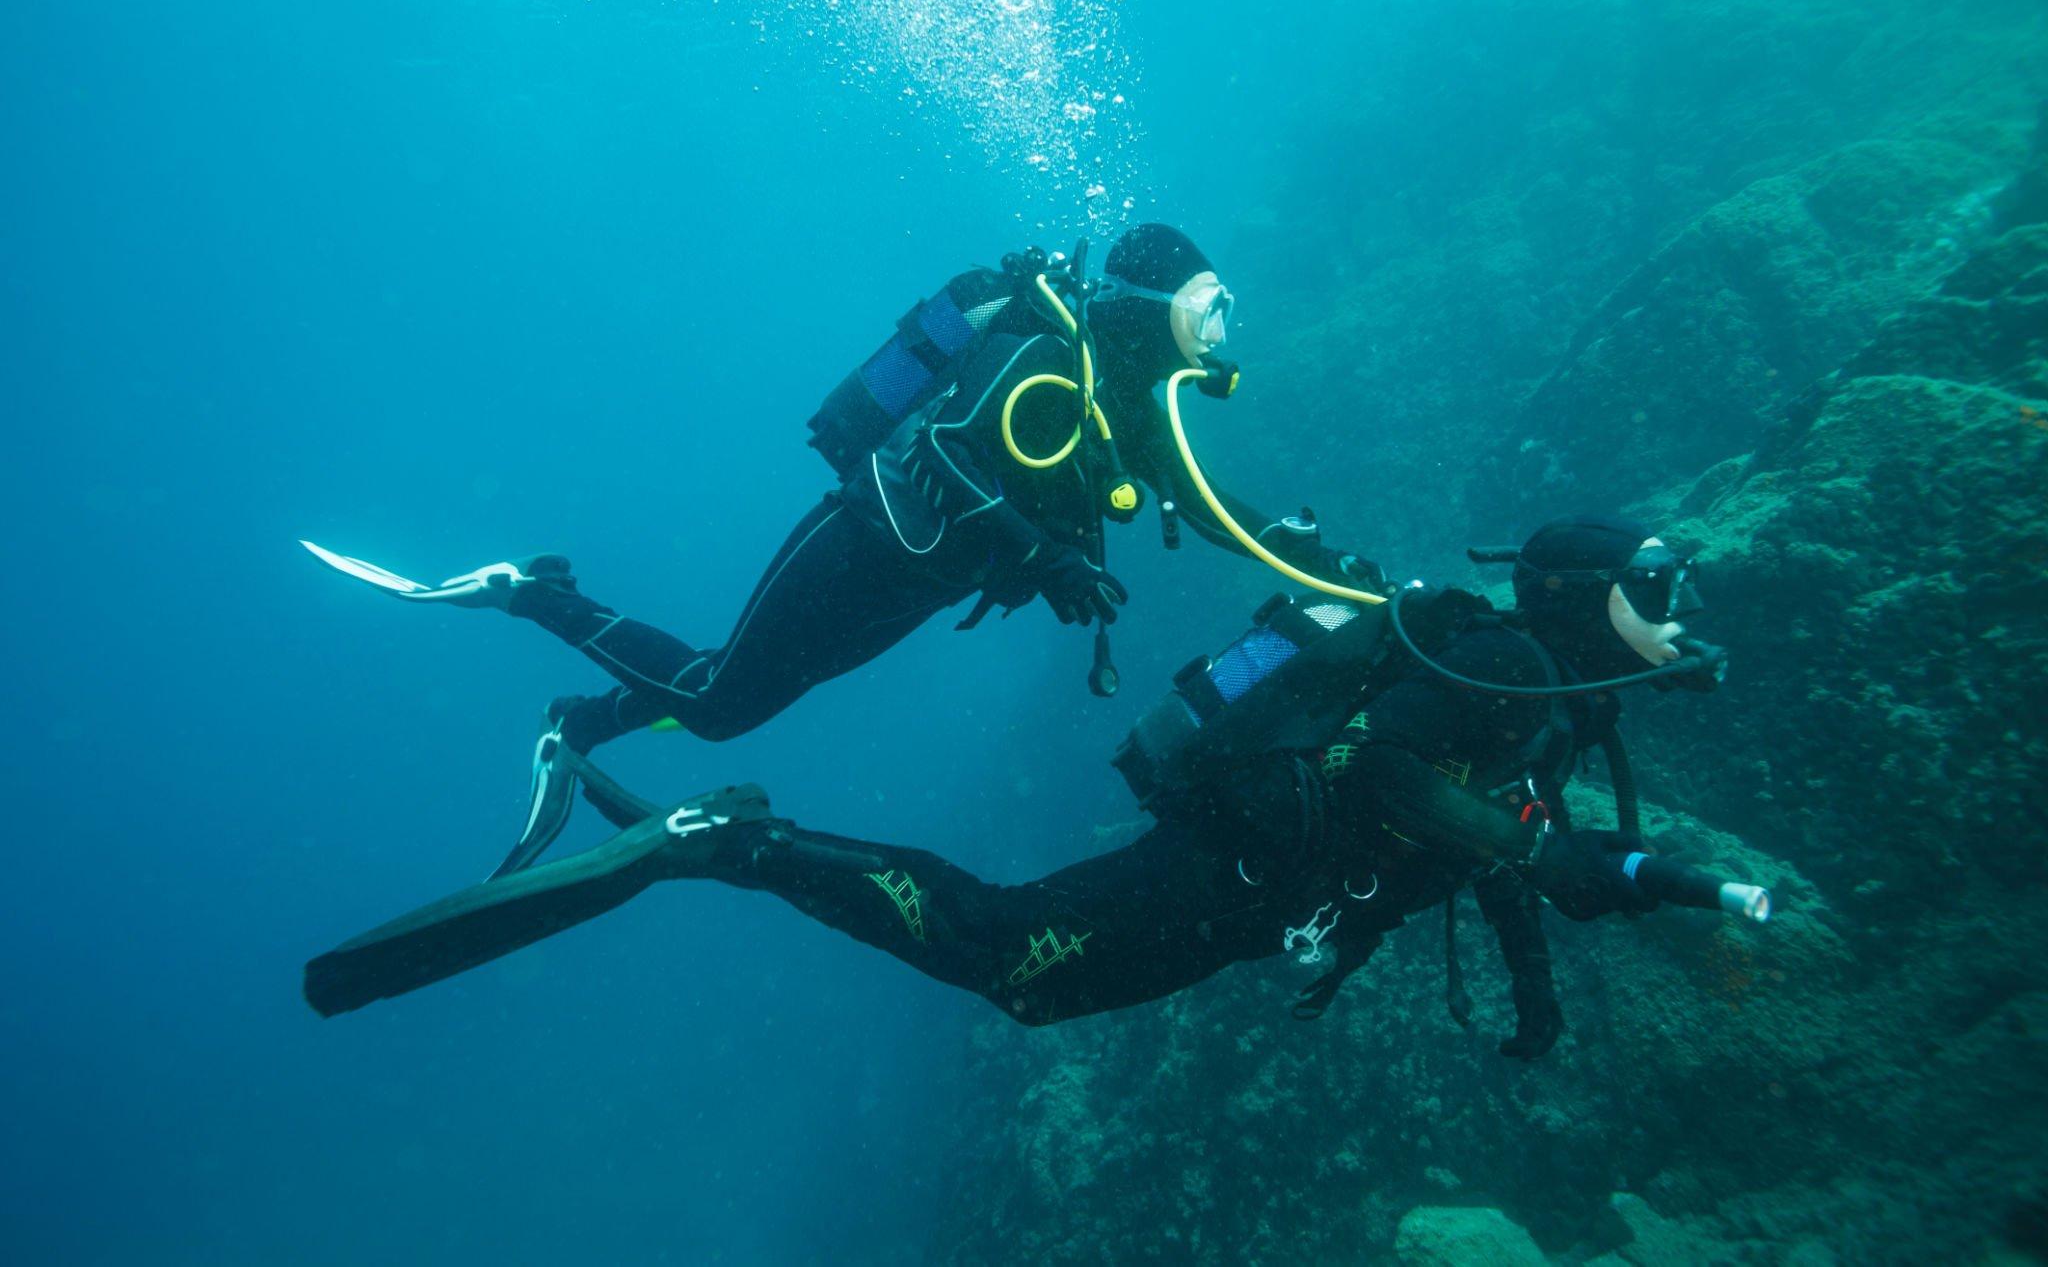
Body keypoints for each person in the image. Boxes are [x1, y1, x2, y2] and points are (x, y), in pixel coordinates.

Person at [306, 515, 1766, 1054]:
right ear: (1585, 594)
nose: (1676, 599)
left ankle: (728, 828)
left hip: (1263, 901)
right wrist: (1572, 873)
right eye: (1658, 578)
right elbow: (1405, 776)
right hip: (1233, 875)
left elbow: (1509, 853)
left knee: (1022, 976)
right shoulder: (1509, 655)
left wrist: (1538, 1004)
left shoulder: (1548, 705)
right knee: (1006, 955)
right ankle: (728, 837)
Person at [304, 224, 1380, 878]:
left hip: (915, 583)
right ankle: (532, 595)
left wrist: (1319, 570)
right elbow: (952, 463)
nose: (1223, 328)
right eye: (1210, 307)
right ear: (1156, 304)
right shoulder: (1048, 359)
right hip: (862, 541)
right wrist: (1042, 558)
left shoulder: (1128, 403)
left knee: (740, 704)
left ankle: (582, 722)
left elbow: (1212, 507)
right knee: (724, 697)